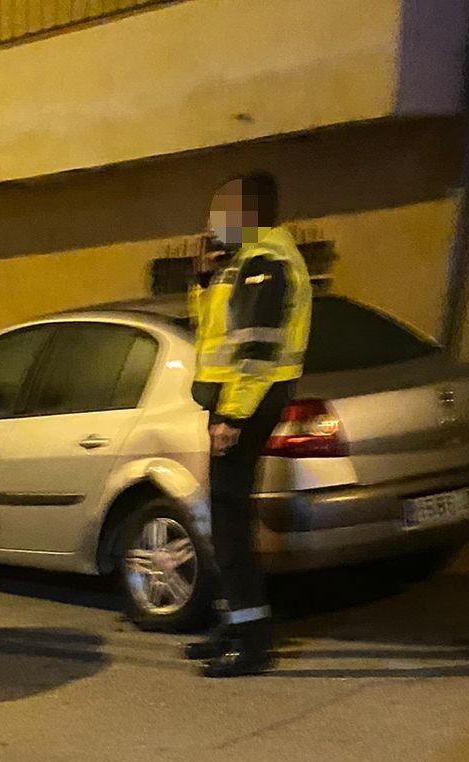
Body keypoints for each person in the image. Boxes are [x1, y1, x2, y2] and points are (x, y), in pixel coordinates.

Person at [183, 172, 311, 678]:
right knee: (225, 519)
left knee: (230, 523)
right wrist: (202, 277)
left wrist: (232, 416)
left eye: (225, 211)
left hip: (248, 400)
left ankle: (251, 643)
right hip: (240, 399)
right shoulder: (243, 262)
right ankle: (237, 624)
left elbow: (257, 349)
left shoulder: (266, 261)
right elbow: (212, 331)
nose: (215, 222)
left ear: (251, 213)